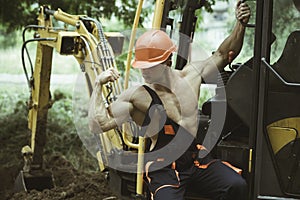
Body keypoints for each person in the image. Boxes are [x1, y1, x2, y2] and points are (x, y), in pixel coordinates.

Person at [89, 1, 251, 199]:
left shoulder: (191, 76)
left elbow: (224, 54)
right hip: (163, 167)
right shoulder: (138, 96)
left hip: (195, 161)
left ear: (168, 61)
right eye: (142, 66)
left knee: (237, 186)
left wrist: (240, 24)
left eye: (151, 66)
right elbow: (98, 125)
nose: (145, 71)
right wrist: (98, 85)